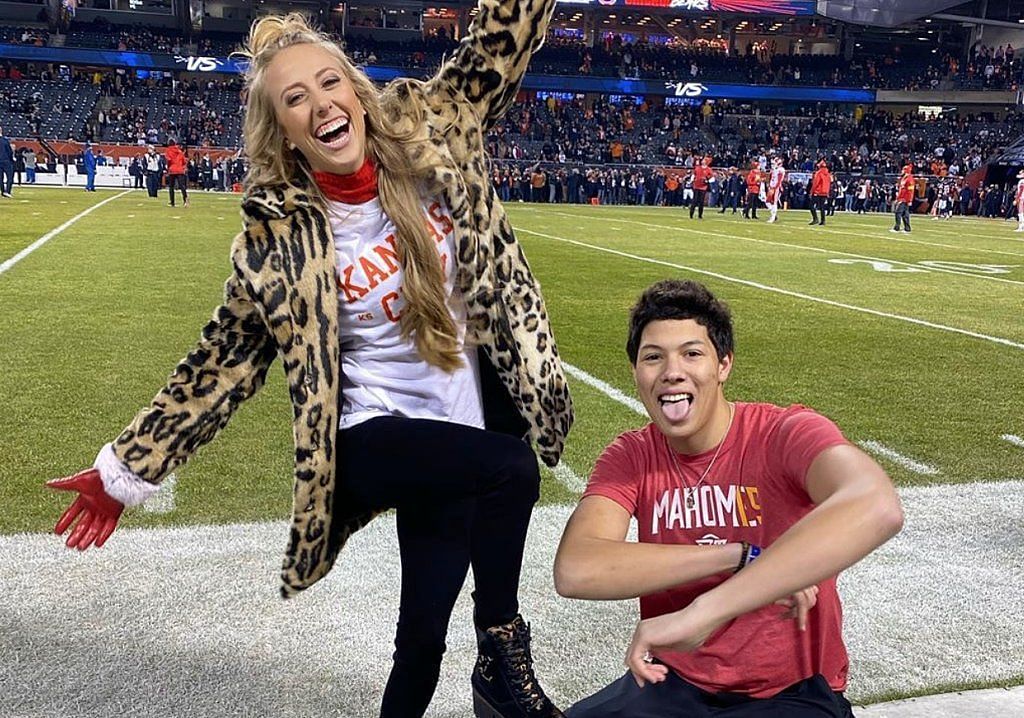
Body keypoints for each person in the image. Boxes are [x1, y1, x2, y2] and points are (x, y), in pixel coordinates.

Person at [45, 10, 572, 718]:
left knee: (419, 641)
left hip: (454, 428)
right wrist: (122, 472)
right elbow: (220, 367)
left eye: (330, 83)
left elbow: (494, 53)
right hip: (369, 433)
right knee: (511, 468)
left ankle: (468, 674)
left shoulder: (434, 131)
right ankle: (502, 650)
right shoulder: (277, 244)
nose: (321, 102)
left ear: (356, 93)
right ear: (283, 130)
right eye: (296, 98)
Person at [555, 279, 904, 718]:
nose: (672, 371)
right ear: (636, 373)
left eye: (692, 353)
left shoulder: (783, 431)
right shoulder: (633, 454)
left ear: (724, 365)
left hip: (791, 692)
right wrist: (738, 555)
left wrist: (703, 612)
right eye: (653, 357)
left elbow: (876, 504)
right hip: (675, 682)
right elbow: (576, 570)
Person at [164, 138, 189, 207]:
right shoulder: (179, 151)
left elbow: (168, 160)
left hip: (172, 170)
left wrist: (168, 168)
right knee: (182, 186)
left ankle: (172, 202)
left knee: (171, 187)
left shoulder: (168, 150)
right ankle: (185, 199)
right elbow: (184, 161)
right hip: (180, 170)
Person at [891, 164, 914, 234]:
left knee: (898, 212)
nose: (901, 171)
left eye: (903, 170)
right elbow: (901, 190)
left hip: (905, 199)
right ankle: (907, 228)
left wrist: (909, 200)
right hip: (901, 198)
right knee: (905, 214)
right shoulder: (904, 178)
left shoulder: (909, 179)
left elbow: (911, 190)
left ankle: (897, 227)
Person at [809, 160, 831, 226]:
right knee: (822, 207)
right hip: (825, 192)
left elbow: (815, 183)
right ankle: (823, 220)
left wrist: (811, 191)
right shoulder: (828, 174)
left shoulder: (818, 173)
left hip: (817, 192)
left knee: (811, 205)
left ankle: (815, 219)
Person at [765, 156, 785, 224]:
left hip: (776, 188)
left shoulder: (781, 170)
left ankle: (773, 217)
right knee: (767, 202)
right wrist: (770, 185)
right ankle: (774, 214)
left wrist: (776, 187)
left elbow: (779, 180)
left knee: (774, 203)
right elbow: (771, 178)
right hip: (772, 187)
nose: (773, 164)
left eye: (775, 163)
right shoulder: (774, 169)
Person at [0, 125, 14, 197]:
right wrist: (11, 160)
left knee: (0, 178)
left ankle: (2, 191)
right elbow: (9, 151)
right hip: (6, 161)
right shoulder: (5, 140)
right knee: (10, 177)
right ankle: (7, 191)